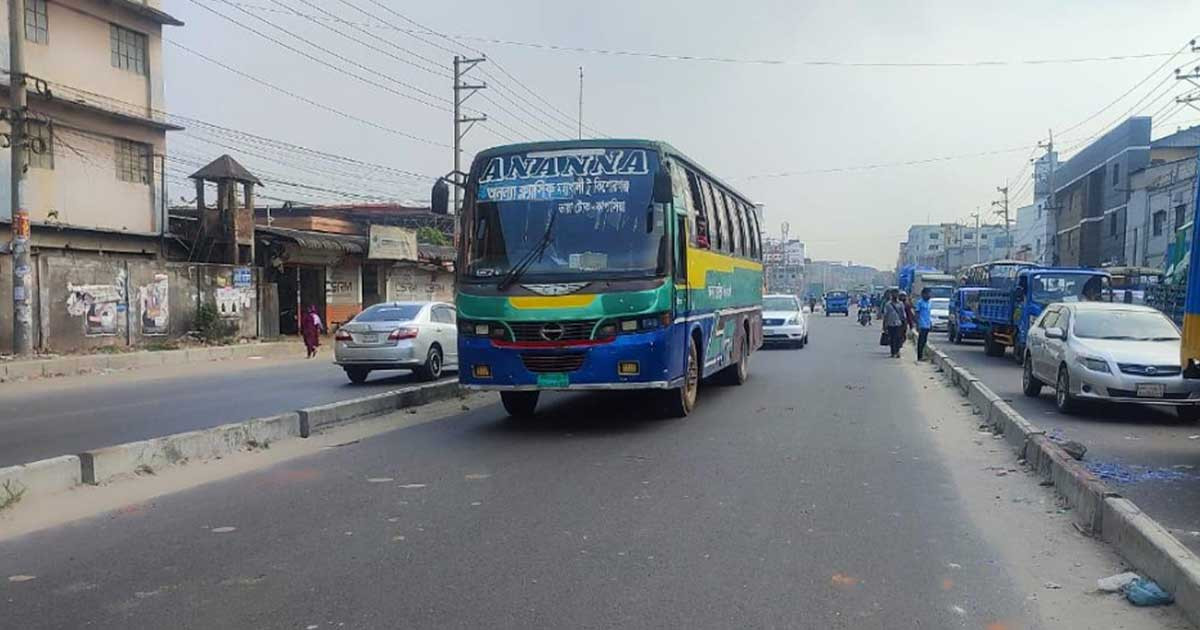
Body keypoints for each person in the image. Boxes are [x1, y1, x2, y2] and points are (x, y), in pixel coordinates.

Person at [881, 290, 906, 358]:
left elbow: (903, 314)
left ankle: (897, 352)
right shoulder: (888, 304)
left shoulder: (900, 304)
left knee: (898, 338)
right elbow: (885, 315)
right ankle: (893, 352)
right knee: (892, 339)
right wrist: (884, 325)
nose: (895, 295)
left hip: (898, 323)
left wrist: (904, 323)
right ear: (891, 295)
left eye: (896, 293)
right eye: (894, 294)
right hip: (890, 324)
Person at [914, 287, 933, 361]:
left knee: (924, 341)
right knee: (921, 341)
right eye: (928, 293)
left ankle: (923, 355)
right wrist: (917, 324)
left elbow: (928, 314)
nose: (930, 295)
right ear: (924, 294)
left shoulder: (929, 302)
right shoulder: (920, 302)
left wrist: (930, 323)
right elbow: (917, 314)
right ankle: (919, 356)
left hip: (927, 324)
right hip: (921, 324)